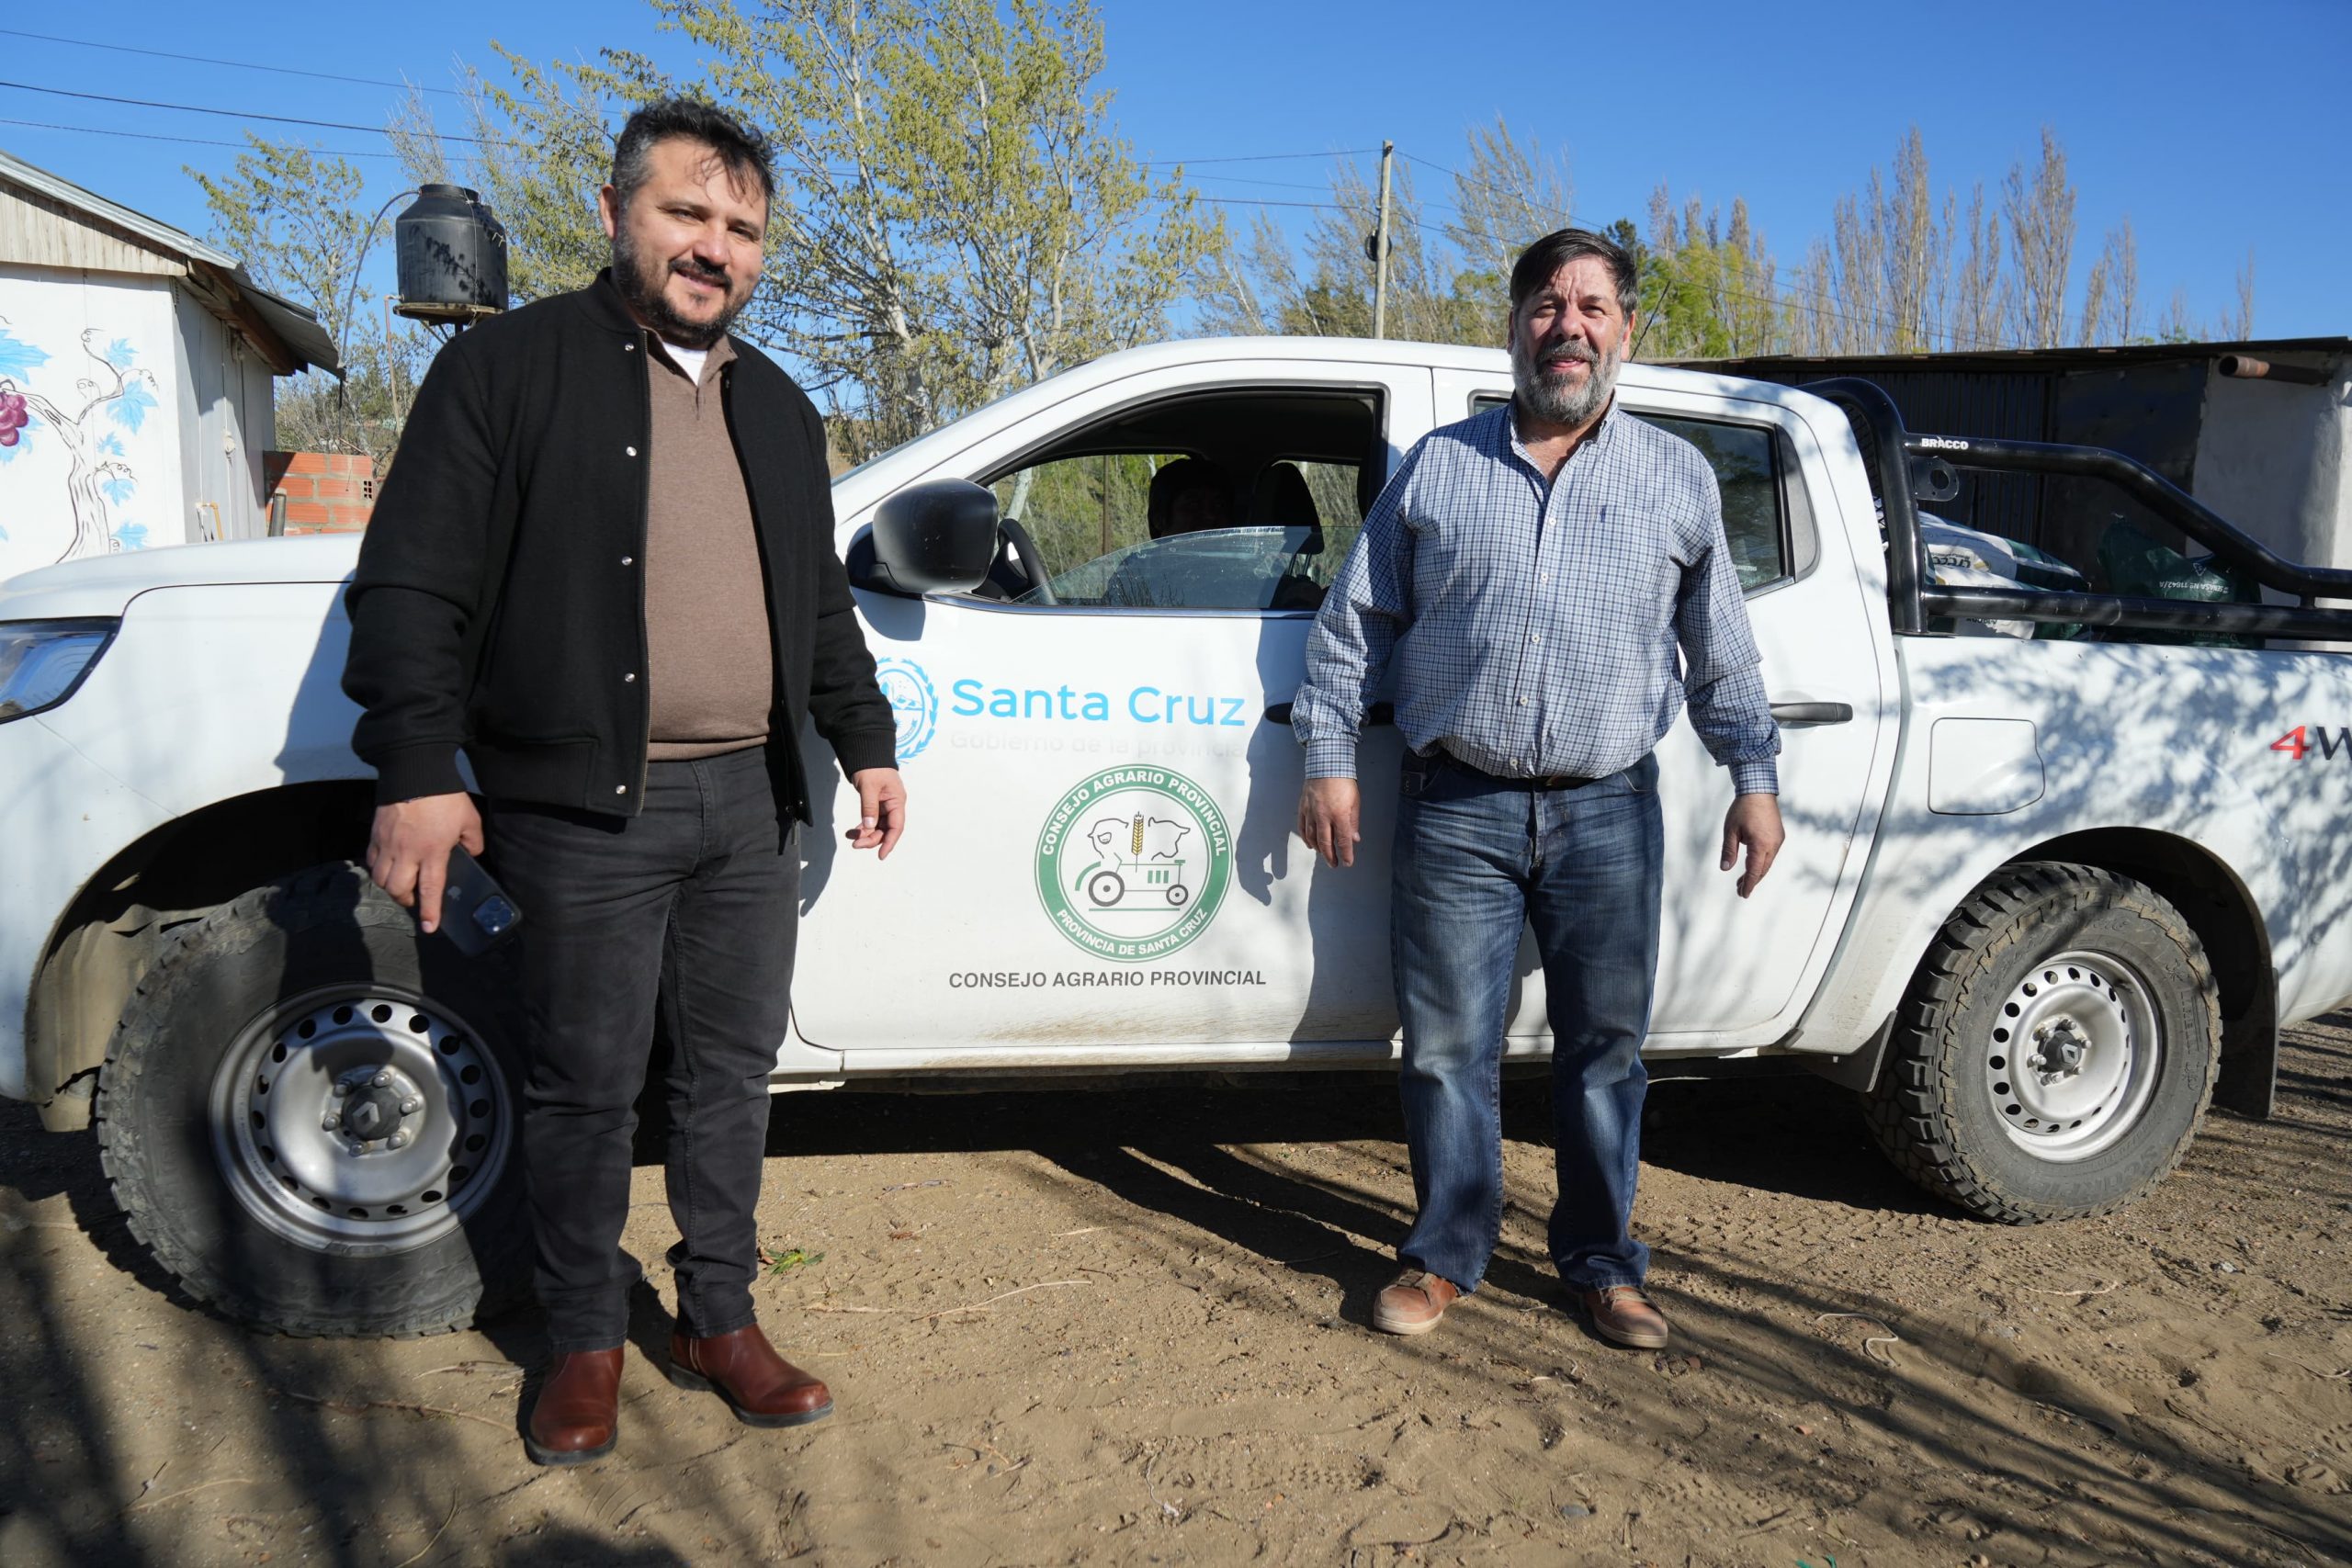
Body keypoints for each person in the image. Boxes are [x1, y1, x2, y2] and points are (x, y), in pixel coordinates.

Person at [343, 97, 905, 1465]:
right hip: (583, 810)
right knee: (586, 1080)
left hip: (749, 804)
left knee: (731, 1072)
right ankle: (585, 1334)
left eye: (741, 228)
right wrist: (419, 763)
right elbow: (413, 582)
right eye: (686, 214)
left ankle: (720, 1314)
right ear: (615, 214)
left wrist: (866, 733)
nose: (714, 247)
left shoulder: (780, 407)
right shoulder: (508, 371)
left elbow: (816, 605)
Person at [1291, 227, 1784, 1349]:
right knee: (1445, 1046)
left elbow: (1722, 653)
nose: (1568, 327)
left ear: (1624, 331)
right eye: (1546, 307)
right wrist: (1327, 755)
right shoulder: (1439, 466)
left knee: (1604, 1048)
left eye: (1591, 308)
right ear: (1514, 329)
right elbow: (1354, 624)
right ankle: (1445, 1255)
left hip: (1609, 805)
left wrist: (1752, 777)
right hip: (1457, 800)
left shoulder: (1675, 477)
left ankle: (1602, 1264)